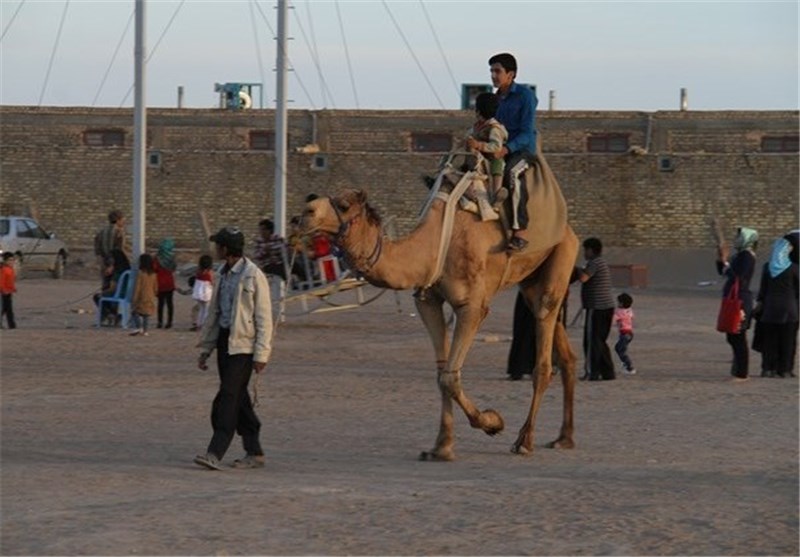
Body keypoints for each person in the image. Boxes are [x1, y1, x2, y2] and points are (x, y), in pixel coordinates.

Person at [194, 227, 273, 471]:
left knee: (227, 398)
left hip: (244, 346)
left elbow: (264, 318)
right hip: (224, 342)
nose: (215, 249)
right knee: (239, 399)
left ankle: (215, 451)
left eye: (218, 245)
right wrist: (206, 348)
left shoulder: (253, 275)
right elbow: (215, 315)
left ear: (226, 249)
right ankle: (255, 450)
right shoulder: (222, 273)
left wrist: (261, 354)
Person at [468, 52, 538, 252]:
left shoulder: (525, 96)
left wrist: (506, 149)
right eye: (491, 71)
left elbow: (527, 132)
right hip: (497, 146)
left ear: (511, 74)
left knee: (512, 173)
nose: (493, 75)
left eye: (497, 71)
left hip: (522, 150)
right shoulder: (495, 99)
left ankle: (519, 232)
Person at [753, 230, 798, 378]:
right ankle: (784, 369)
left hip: (770, 308)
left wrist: (760, 304)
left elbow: (763, 289)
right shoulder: (794, 269)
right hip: (790, 309)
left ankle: (767, 368)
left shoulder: (768, 267)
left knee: (770, 340)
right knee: (788, 340)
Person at [716, 227, 759, 382]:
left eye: (739, 236)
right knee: (732, 335)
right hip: (733, 298)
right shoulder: (740, 255)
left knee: (738, 336)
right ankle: (738, 368)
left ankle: (742, 372)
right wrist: (722, 259)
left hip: (740, 300)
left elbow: (739, 277)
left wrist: (727, 265)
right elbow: (723, 272)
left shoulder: (747, 256)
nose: (736, 239)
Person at [574, 237, 616, 381]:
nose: (584, 253)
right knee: (600, 341)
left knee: (591, 341)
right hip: (607, 307)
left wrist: (577, 269)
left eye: (585, 250)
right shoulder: (602, 262)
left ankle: (592, 371)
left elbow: (584, 278)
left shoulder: (594, 263)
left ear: (591, 250)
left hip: (597, 308)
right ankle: (608, 373)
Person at [466, 92, 508, 205]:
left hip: (492, 157)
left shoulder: (495, 128)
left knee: (497, 164)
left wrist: (479, 145)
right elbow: (471, 135)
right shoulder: (478, 126)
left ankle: (496, 193)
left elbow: (496, 146)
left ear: (478, 111)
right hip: (478, 156)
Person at [93, 249, 131, 326]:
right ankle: (114, 315)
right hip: (126, 294)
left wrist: (103, 291)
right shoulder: (127, 270)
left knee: (97, 297)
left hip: (118, 294)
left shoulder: (117, 273)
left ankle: (110, 315)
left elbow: (112, 288)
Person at [129, 253, 158, 336]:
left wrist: (134, 298)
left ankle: (138, 327)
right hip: (150, 296)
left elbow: (138, 287)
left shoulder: (141, 274)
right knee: (146, 315)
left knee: (135, 312)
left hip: (141, 296)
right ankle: (145, 331)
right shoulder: (154, 274)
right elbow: (155, 287)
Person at [94, 210, 128, 278]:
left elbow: (97, 250)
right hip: (116, 264)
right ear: (118, 220)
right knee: (116, 285)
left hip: (104, 263)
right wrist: (112, 265)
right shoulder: (119, 232)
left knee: (106, 285)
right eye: (122, 220)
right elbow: (119, 250)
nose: (124, 223)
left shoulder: (101, 232)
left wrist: (102, 264)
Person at [153, 238, 177, 329]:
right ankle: (169, 322)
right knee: (170, 303)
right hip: (170, 283)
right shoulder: (172, 258)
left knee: (160, 303)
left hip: (160, 283)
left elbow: (154, 269)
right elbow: (174, 268)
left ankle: (159, 322)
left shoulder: (157, 258)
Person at [612, 292, 636, 375]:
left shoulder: (619, 312)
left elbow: (614, 320)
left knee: (620, 350)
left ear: (621, 303)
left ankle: (629, 366)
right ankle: (625, 363)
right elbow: (632, 317)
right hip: (630, 333)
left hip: (624, 334)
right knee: (621, 349)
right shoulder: (629, 310)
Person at [191, 254, 214, 331]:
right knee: (206, 310)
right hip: (207, 292)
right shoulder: (209, 272)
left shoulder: (198, 271)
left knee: (201, 309)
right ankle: (204, 324)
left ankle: (199, 324)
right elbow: (212, 281)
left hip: (198, 292)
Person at [0, 252, 17, 329]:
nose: (12, 262)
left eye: (13, 260)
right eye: (10, 260)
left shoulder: (10, 269)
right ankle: (12, 325)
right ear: (5, 261)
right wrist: (3, 290)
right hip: (4, 293)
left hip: (8, 292)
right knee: (4, 309)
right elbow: (1, 281)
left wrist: (13, 288)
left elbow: (11, 281)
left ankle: (12, 325)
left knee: (7, 309)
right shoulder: (3, 270)